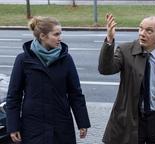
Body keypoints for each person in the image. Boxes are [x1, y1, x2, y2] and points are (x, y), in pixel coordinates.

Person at [98, 13, 155, 144]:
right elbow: (105, 69)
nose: (142, 33)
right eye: (140, 28)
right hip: (131, 118)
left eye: (149, 31)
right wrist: (109, 40)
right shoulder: (125, 51)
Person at [6, 16, 91, 144]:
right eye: (56, 34)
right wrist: (13, 126)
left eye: (60, 34)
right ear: (42, 36)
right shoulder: (23, 60)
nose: (60, 38)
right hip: (33, 127)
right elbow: (14, 96)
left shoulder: (66, 59)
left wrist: (82, 122)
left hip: (61, 125)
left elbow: (75, 94)